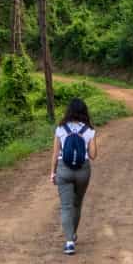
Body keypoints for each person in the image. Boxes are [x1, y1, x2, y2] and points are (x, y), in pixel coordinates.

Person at [51, 96, 98, 255]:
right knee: (77, 204)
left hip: (64, 169)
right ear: (84, 112)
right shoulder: (89, 130)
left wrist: (53, 172)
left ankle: (69, 241)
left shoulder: (61, 128)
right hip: (83, 170)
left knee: (66, 206)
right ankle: (73, 233)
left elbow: (55, 153)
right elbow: (93, 155)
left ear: (68, 111)